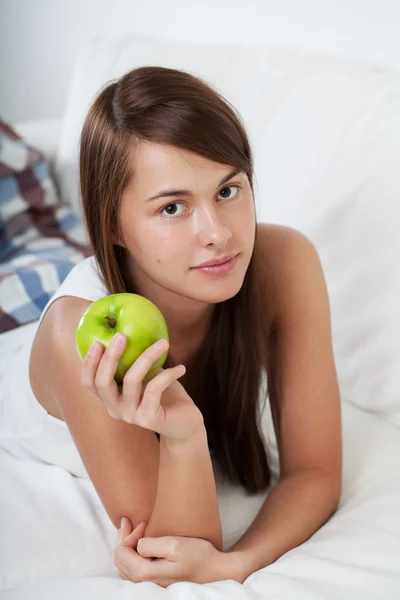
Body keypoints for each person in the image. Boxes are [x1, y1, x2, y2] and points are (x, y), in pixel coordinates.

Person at [27, 66, 342, 586]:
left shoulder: (286, 260)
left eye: (228, 191)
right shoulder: (79, 334)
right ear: (112, 225)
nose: (216, 233)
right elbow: (176, 555)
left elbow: (316, 472)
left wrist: (240, 562)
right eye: (172, 207)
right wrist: (185, 436)